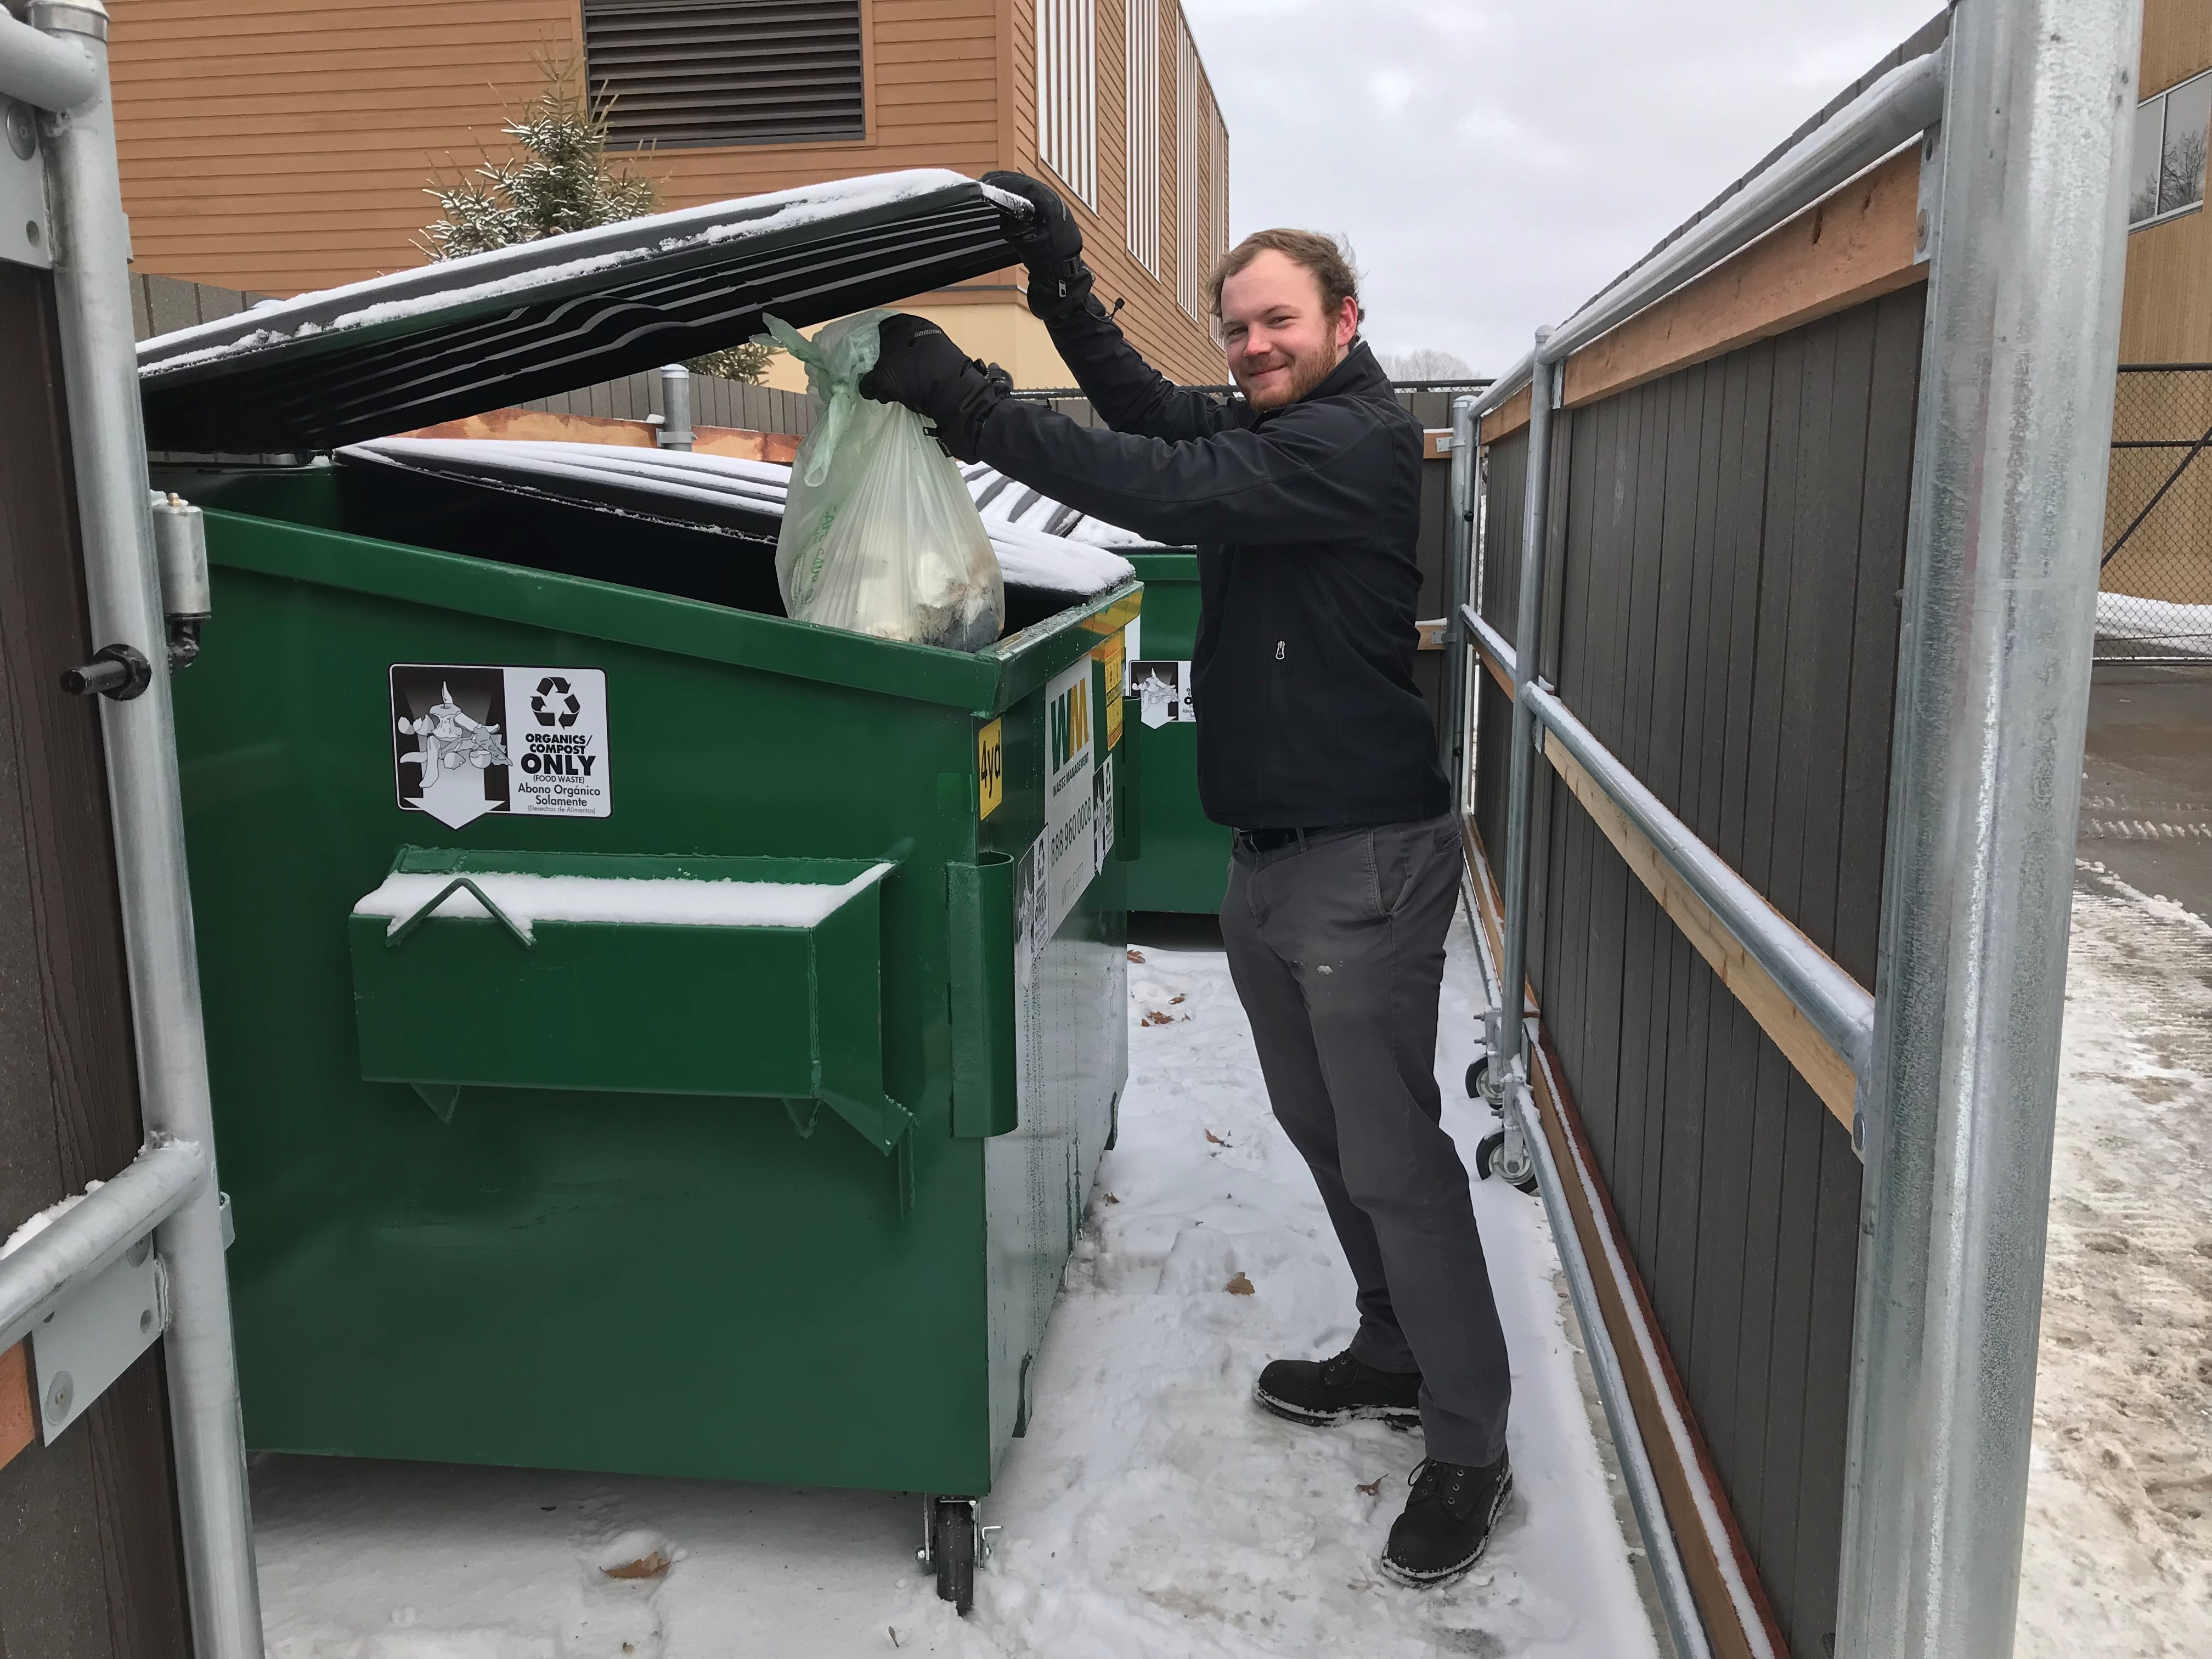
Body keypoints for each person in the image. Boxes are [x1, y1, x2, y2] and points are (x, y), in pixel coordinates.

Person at [859, 172, 1514, 1588]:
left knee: (1394, 1155)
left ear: (1347, 319)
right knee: (1321, 1124)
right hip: (1273, 860)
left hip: (1365, 861)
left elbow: (1151, 482)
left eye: (1276, 319)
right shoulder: (1276, 418)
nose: (1250, 345)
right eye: (1237, 326)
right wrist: (1061, 293)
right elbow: (1156, 415)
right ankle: (1397, 1346)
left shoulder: (1348, 444)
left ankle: (1471, 1441)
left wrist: (971, 402)